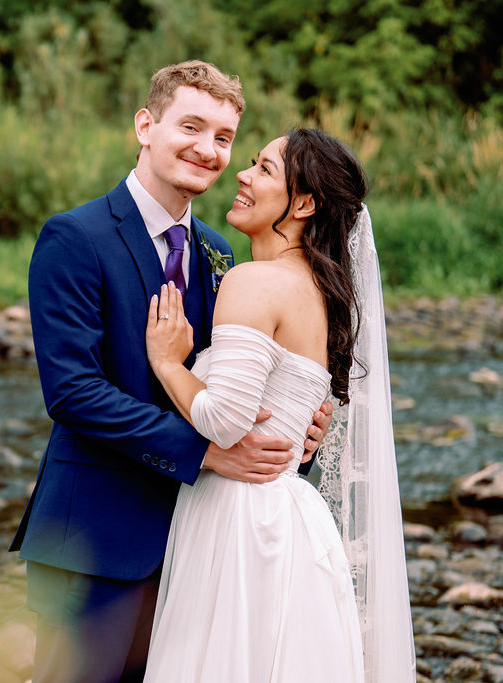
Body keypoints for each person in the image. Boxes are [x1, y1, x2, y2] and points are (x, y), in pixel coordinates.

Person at [9, 61, 333, 682]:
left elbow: (235, 382)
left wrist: (294, 428)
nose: (208, 150)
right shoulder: (75, 238)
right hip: (99, 537)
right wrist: (207, 452)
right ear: (145, 125)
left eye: (223, 137)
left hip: (202, 543)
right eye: (191, 126)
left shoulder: (220, 249)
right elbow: (73, 393)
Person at [142, 129, 415, 681]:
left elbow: (225, 421)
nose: (241, 176)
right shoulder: (322, 293)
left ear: (305, 203)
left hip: (240, 520)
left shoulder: (254, 282)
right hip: (291, 516)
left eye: (263, 169)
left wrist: (170, 363)